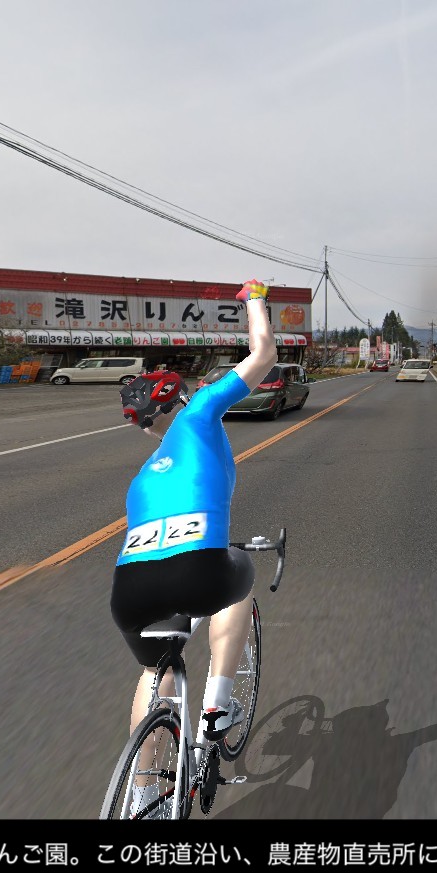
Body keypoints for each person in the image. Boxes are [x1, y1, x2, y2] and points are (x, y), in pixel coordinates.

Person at [110, 280, 277, 775]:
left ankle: (141, 789)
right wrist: (255, 299)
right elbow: (263, 354)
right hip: (198, 569)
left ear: (146, 425)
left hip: (129, 590)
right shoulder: (201, 411)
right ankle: (216, 709)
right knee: (237, 583)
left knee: (153, 671)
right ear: (179, 399)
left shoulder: (144, 476)